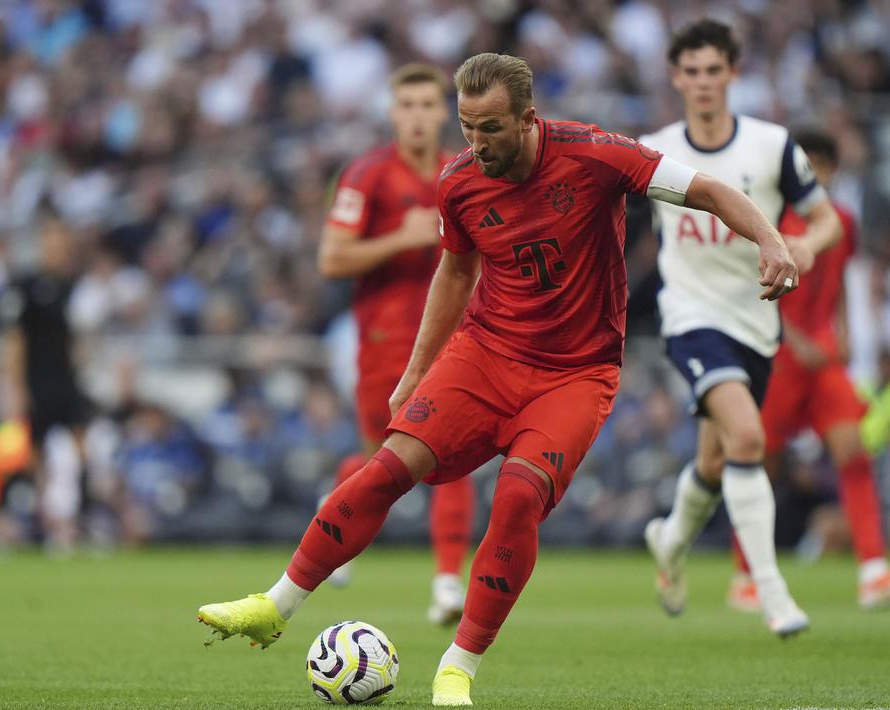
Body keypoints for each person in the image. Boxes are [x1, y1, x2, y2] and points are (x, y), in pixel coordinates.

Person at [198, 52, 797, 707]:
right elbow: (454, 273)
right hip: (483, 354)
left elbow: (707, 189)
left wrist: (768, 239)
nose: (474, 143)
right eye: (466, 126)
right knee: (385, 466)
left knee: (516, 497)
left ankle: (456, 667)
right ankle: (274, 604)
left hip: (575, 372)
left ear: (526, 119)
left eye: (489, 128)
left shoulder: (594, 153)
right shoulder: (458, 181)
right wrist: (416, 371)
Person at [639, 20, 841, 636]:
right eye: (690, 71)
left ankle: (669, 540)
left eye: (712, 70)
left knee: (717, 458)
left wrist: (807, 247)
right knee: (749, 439)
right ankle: (772, 593)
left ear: (733, 73)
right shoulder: (654, 150)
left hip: (756, 317)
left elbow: (825, 218)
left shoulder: (773, 144)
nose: (702, 82)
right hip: (690, 317)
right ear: (676, 78)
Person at [317, 63, 474, 624]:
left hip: (453, 341)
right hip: (384, 343)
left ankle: (448, 583)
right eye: (405, 105)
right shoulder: (367, 175)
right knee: (379, 460)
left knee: (450, 458)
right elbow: (332, 258)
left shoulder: (462, 171)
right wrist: (399, 238)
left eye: (426, 105)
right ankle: (335, 502)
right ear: (391, 112)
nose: (416, 116)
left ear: (443, 112)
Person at [726, 129, 890, 611]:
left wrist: (840, 332)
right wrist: (796, 340)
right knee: (762, 465)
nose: (815, 175)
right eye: (807, 166)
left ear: (833, 170)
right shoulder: (770, 219)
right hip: (778, 359)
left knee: (853, 453)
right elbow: (749, 288)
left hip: (823, 363)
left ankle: (873, 568)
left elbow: (838, 281)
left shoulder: (840, 221)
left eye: (822, 166)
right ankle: (746, 574)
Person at [1, 218, 95, 552]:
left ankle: (81, 517)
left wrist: (82, 368)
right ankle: (40, 523)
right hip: (37, 383)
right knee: (33, 454)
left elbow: (81, 337)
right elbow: (15, 340)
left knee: (83, 448)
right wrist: (16, 387)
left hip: (67, 382)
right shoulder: (25, 287)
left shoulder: (73, 286)